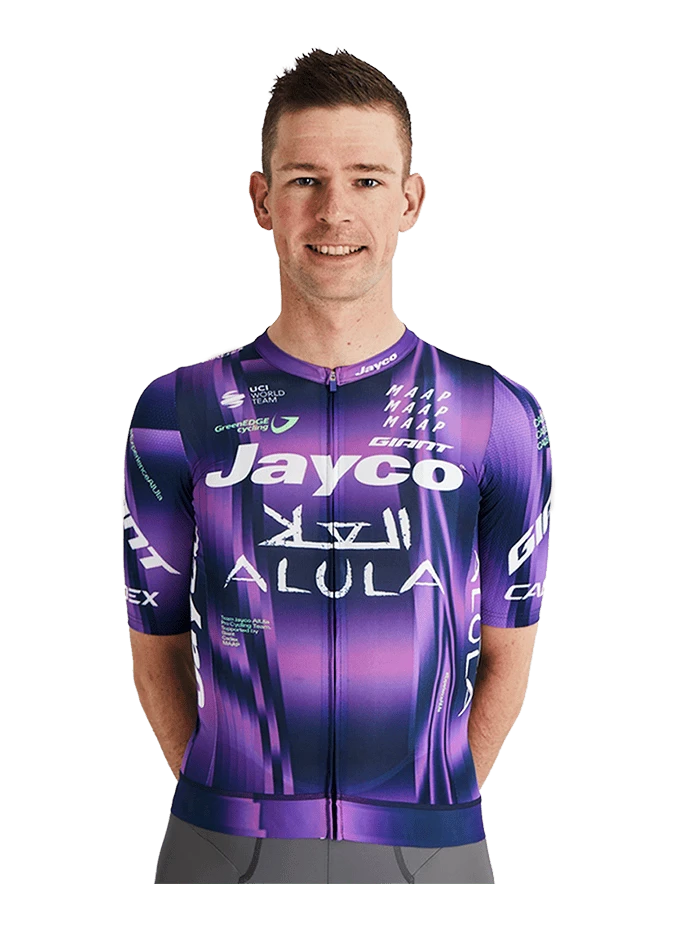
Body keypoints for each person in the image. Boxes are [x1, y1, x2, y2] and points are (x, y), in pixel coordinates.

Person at [121, 47, 553, 886]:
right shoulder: (178, 410)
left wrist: (438, 806)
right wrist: (224, 805)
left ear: (409, 200)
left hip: (431, 849)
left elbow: (510, 648)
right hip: (223, 844)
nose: (334, 212)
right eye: (304, 180)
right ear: (261, 200)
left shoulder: (494, 413)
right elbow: (154, 645)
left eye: (365, 179)